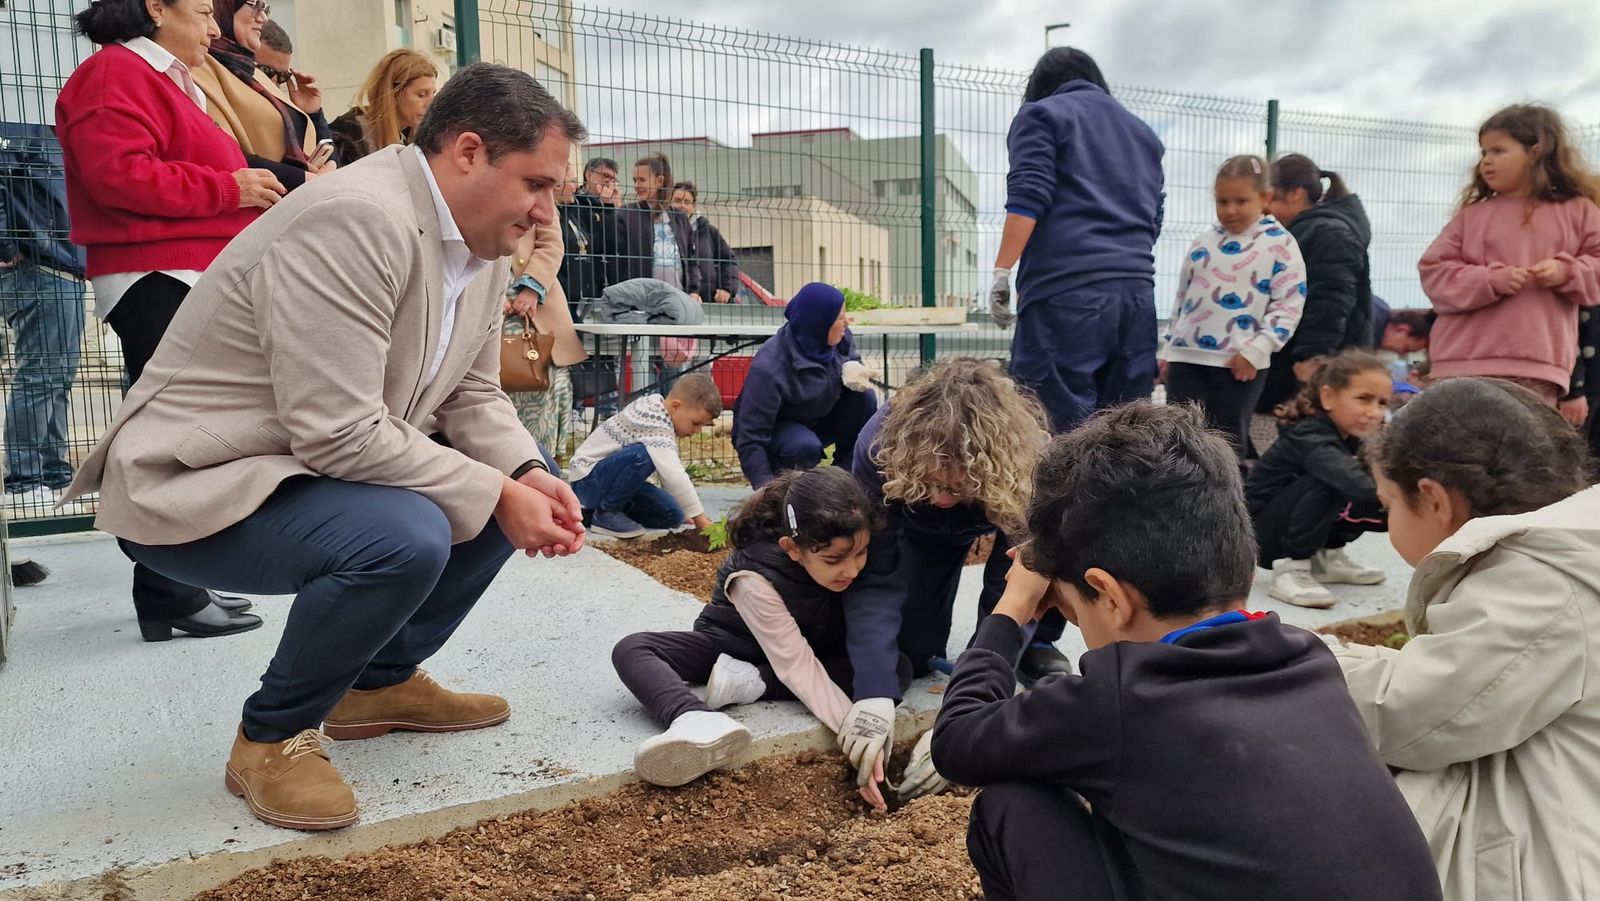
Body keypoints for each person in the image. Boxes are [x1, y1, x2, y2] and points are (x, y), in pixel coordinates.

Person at [61, 63, 589, 831]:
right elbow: (336, 428)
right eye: (536, 184)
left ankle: (377, 681)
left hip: (297, 472)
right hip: (198, 485)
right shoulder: (356, 217)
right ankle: (271, 736)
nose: (547, 212)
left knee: (504, 493)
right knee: (412, 530)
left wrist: (528, 472)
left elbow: (474, 396)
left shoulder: (476, 246)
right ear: (468, 151)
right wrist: (494, 490)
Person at [931, 401, 1442, 901]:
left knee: (1011, 805)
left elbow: (956, 742)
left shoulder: (1121, 696)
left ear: (1109, 597)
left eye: (1072, 611)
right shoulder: (1308, 659)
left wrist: (1013, 608)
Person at [59, 0, 286, 640]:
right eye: (202, 10)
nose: (215, 26)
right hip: (156, 272)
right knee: (173, 430)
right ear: (156, 7)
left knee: (178, 426)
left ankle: (172, 585)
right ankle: (166, 586)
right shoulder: (114, 73)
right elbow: (116, 176)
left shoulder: (157, 77)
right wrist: (230, 190)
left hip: (178, 271)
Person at [1334, 378, 1600, 900]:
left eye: (1389, 503)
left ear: (1434, 500)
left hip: (1554, 868)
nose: (1389, 519)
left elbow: (1414, 715)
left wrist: (1296, 656)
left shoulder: (1541, 584)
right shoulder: (1565, 553)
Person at [613, 466, 914, 811]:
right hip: (733, 645)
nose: (851, 570)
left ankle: (755, 683)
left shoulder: (846, 549)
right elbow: (797, 664)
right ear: (792, 548)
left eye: (860, 554)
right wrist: (856, 737)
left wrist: (874, 712)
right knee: (634, 649)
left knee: (897, 666)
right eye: (833, 560)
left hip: (806, 650)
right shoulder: (753, 576)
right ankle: (694, 717)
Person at [846, 358, 1060, 685]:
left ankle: (1040, 641)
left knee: (1050, 559)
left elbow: (1016, 582)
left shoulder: (1022, 462)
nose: (942, 499)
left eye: (955, 487)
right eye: (931, 483)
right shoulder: (879, 447)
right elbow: (876, 568)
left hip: (995, 504)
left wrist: (983, 675)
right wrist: (876, 684)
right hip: (918, 526)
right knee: (913, 654)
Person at [986, 47, 1163, 435]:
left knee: (1051, 429)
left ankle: (1061, 499)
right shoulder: (1143, 134)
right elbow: (1154, 215)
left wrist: (1002, 270)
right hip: (1136, 295)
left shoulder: (1042, 114)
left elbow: (1028, 196)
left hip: (1066, 294)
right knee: (1127, 431)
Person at [1419, 104, 1600, 406]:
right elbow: (1433, 271)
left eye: (1498, 151)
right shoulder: (1471, 217)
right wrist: (1491, 280)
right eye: (1483, 152)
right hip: (1462, 362)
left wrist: (1566, 272)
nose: (1486, 162)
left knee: (1521, 451)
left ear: (1536, 151)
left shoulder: (1579, 211)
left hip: (1538, 366)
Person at [1161, 155, 1307, 458]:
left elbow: (1289, 304)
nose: (1230, 210)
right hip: (1186, 360)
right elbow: (1182, 299)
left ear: (1265, 198)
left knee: (1227, 445)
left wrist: (1257, 350)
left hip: (1238, 364)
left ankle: (1227, 504)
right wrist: (1168, 349)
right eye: (1222, 201)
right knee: (1179, 442)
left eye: (1241, 201)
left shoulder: (1280, 244)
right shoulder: (1203, 242)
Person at [1245, 351, 1391, 608]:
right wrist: (1404, 503)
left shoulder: (1348, 438)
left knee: (1362, 478)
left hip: (1283, 526)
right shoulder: (1310, 436)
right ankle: (1292, 567)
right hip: (1260, 537)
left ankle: (1325, 558)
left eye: (1382, 403)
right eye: (1364, 399)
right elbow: (1357, 486)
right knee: (1337, 480)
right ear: (1328, 397)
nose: (1374, 412)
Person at [0, 122, 85, 510]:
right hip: (40, 267)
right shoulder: (19, 132)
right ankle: (26, 480)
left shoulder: (53, 136)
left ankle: (52, 475)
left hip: (61, 267)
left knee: (56, 377)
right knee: (41, 376)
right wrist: (8, 248)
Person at [1255, 154, 1375, 429]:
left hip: (1313, 368)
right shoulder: (1306, 231)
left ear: (1295, 194)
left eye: (1270, 197)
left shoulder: (1327, 233)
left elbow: (1331, 300)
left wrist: (1311, 358)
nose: (1264, 207)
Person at [731, 282, 877, 488]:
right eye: (839, 317)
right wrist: (763, 490)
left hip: (819, 413)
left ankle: (844, 482)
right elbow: (751, 437)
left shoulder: (840, 339)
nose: (847, 321)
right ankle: (790, 490)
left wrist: (855, 370)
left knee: (865, 398)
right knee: (803, 446)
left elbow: (851, 366)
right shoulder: (770, 367)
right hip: (782, 430)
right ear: (820, 323)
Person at [190, 0, 333, 193]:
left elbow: (310, 148)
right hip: (260, 210)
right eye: (255, 4)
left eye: (265, 7)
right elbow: (216, 154)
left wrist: (313, 114)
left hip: (295, 201)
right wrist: (303, 179)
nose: (263, 17)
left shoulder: (247, 69)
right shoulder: (197, 67)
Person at [566, 372, 721, 539]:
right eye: (695, 423)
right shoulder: (653, 421)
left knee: (673, 515)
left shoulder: (660, 412)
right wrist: (700, 519)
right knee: (644, 455)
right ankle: (607, 513)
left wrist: (688, 511)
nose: (696, 431)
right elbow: (673, 474)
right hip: (588, 480)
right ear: (676, 406)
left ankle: (589, 515)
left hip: (610, 481)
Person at [502, 202, 587, 461]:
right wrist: (491, 294)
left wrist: (532, 287)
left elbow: (551, 245)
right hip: (489, 312)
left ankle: (543, 462)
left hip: (537, 308)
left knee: (548, 386)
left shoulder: (540, 195)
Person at [328, 49, 437, 165]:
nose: (431, 104)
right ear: (394, 94)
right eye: (421, 95)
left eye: (433, 94)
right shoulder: (349, 136)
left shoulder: (418, 136)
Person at [610, 152, 698, 295]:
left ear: (660, 181)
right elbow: (615, 259)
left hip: (677, 298)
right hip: (640, 299)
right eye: (634, 180)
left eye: (642, 180)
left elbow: (691, 259)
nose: (637, 185)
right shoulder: (626, 214)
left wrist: (694, 291)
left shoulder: (679, 218)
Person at [670, 181, 739, 304]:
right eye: (677, 200)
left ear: (694, 206)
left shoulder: (708, 232)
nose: (682, 206)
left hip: (709, 303)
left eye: (687, 202)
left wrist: (726, 289)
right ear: (669, 202)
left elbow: (729, 260)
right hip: (677, 302)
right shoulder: (663, 231)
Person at [1369, 296, 1433, 356]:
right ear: (1402, 329)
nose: (1402, 353)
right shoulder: (1369, 326)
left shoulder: (1379, 308)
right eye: (1406, 348)